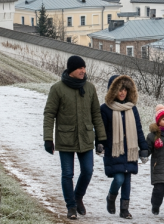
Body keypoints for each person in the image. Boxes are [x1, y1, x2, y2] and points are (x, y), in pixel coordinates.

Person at [43, 55, 107, 220]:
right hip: (66, 138)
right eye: (80, 68)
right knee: (67, 174)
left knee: (88, 170)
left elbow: (96, 114)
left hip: (85, 137)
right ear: (71, 70)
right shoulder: (57, 89)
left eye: (84, 68)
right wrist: (48, 138)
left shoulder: (90, 88)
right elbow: (49, 114)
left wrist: (101, 138)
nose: (83, 71)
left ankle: (78, 197)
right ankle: (71, 206)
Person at [98, 75, 149, 219]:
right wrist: (100, 144)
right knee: (119, 179)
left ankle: (124, 210)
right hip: (114, 150)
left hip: (130, 149)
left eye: (125, 90)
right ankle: (111, 197)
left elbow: (138, 129)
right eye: (119, 90)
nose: (122, 93)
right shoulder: (105, 109)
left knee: (127, 180)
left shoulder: (132, 109)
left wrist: (144, 147)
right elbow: (101, 130)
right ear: (113, 90)